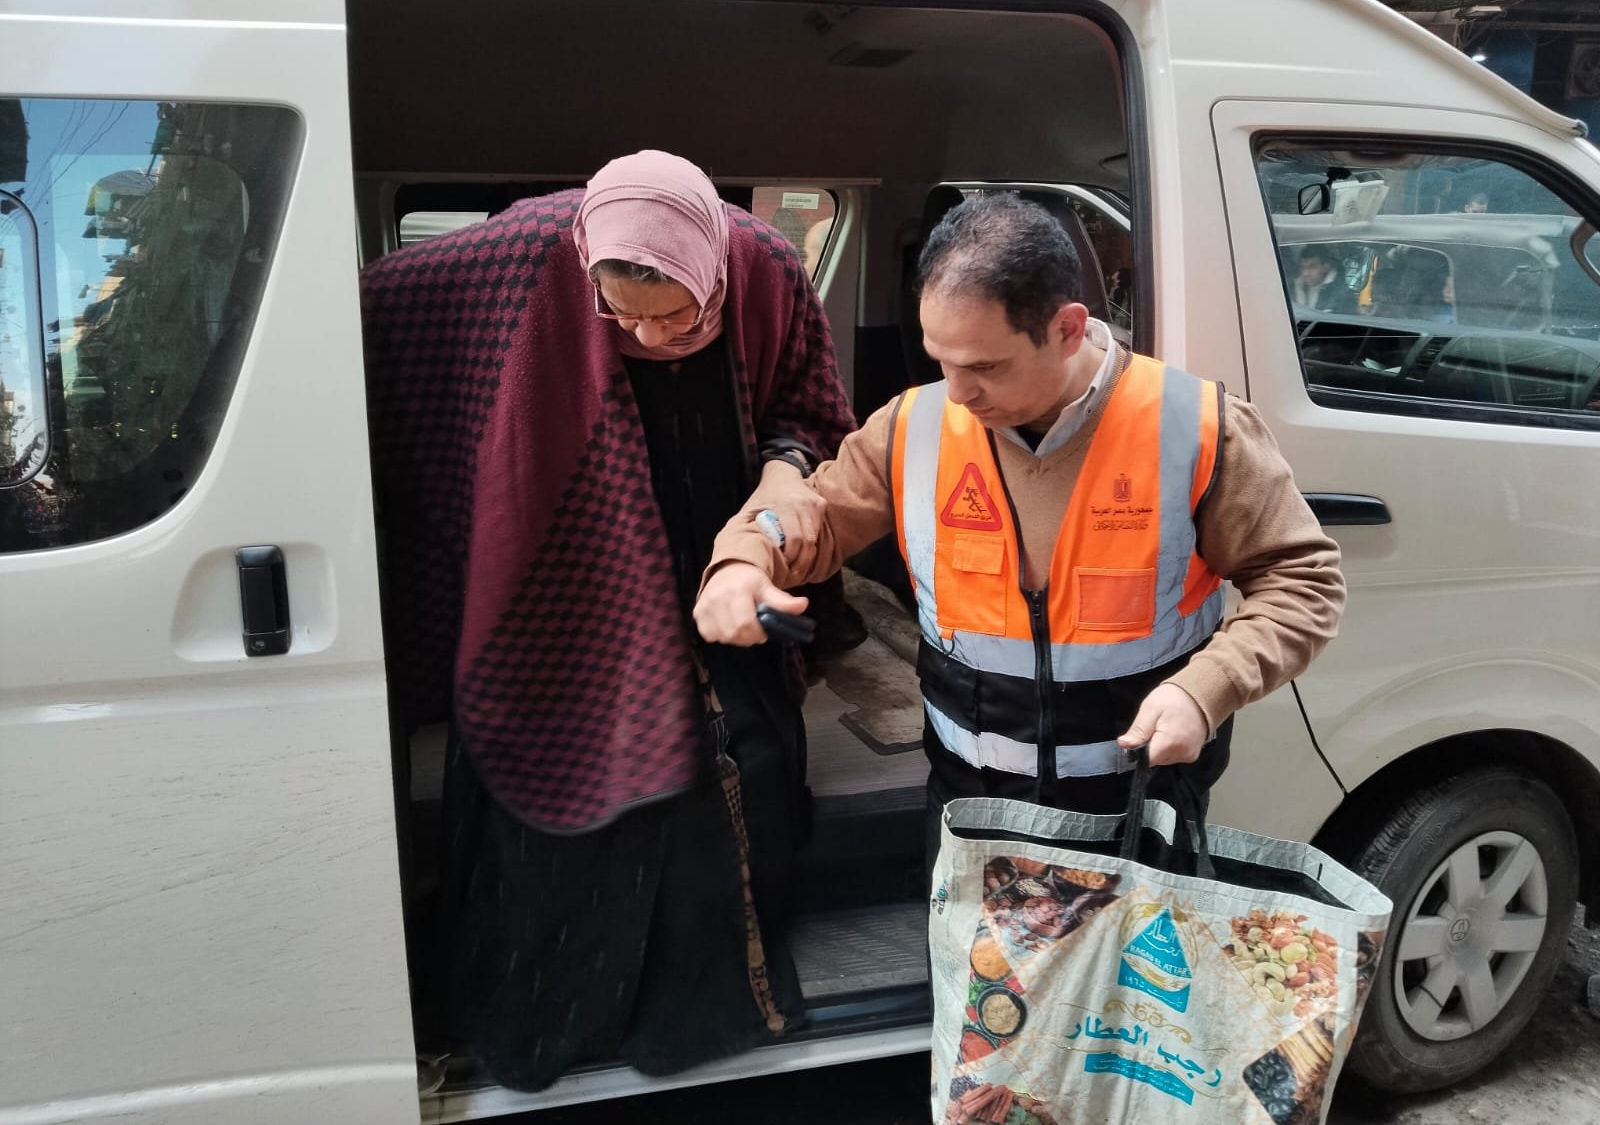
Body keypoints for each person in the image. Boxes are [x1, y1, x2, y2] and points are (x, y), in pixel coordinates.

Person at [359, 150, 856, 1090]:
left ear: (713, 269)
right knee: (559, 776)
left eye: (676, 316)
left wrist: (767, 515)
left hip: (724, 535)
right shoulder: (527, 254)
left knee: (733, 762)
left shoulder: (766, 265)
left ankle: (688, 1020)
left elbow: (810, 417)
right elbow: (371, 300)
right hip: (568, 557)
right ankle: (560, 1023)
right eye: (620, 315)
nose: (648, 334)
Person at [694, 194, 1346, 858]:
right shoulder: (914, 427)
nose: (957, 392)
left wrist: (1206, 691)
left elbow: (1303, 584)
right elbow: (810, 518)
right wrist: (745, 560)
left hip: (1136, 812)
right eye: (940, 360)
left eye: (984, 366)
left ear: (1067, 329)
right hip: (969, 811)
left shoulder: (1195, 427)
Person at [1290, 244, 1358, 315]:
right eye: (1303, 267)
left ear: (1326, 267)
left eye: (1312, 267)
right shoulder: (1291, 290)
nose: (1305, 273)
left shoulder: (1343, 296)